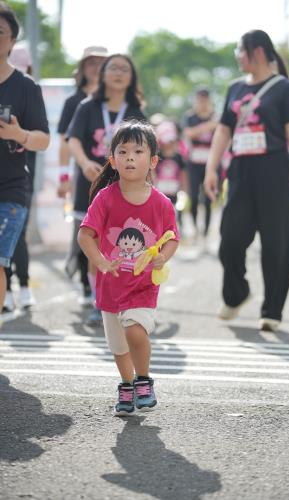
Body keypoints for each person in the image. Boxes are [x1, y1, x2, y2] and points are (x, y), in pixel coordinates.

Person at [204, 29, 289, 332]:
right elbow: (223, 131)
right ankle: (237, 293)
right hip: (239, 170)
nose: (238, 57)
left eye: (241, 51)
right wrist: (212, 169)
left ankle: (272, 309)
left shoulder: (284, 89)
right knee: (230, 239)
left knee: (277, 242)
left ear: (259, 52)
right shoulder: (235, 88)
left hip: (274, 170)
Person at [77, 120, 179, 415]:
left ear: (153, 161)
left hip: (143, 285)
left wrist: (163, 256)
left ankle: (144, 379)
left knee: (135, 329)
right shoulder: (105, 198)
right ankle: (126, 384)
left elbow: (172, 239)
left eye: (138, 151)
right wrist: (102, 263)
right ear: (112, 160)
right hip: (111, 286)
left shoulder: (161, 204)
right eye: (123, 151)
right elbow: (85, 235)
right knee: (118, 346)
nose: (130, 157)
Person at [68, 53, 146, 325]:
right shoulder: (88, 106)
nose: (118, 73)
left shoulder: (136, 112)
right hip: (93, 182)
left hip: (127, 187)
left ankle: (126, 298)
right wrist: (84, 162)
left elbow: (148, 151)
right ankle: (95, 300)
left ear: (131, 77)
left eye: (125, 69)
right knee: (96, 241)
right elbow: (74, 139)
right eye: (113, 67)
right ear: (103, 74)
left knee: (124, 243)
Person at [0, 2, 49, 317]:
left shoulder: (26, 87)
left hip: (10, 189)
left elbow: (43, 140)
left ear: (12, 41)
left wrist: (19, 135)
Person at [57, 45, 108, 307]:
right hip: (85, 177)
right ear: (83, 66)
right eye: (91, 61)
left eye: (102, 61)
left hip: (117, 178)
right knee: (84, 231)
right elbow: (66, 142)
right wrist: (64, 177)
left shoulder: (120, 99)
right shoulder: (74, 102)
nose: (96, 66)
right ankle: (87, 289)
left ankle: (108, 288)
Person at [3, 44, 36, 311]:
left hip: (22, 179)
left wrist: (20, 133)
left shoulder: (30, 92)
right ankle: (9, 289)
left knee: (19, 234)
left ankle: (23, 286)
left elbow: (42, 138)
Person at [183, 87, 217, 239]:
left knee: (209, 197)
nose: (202, 103)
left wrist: (202, 128)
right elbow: (188, 133)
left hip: (211, 163)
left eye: (205, 99)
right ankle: (196, 228)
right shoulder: (190, 117)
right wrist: (209, 126)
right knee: (194, 197)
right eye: (200, 100)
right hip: (194, 163)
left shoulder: (215, 116)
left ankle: (206, 232)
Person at [154, 120, 187, 231]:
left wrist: (184, 190)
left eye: (171, 141)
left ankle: (177, 230)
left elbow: (183, 174)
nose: (169, 144)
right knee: (161, 213)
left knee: (177, 211)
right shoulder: (157, 157)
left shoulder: (179, 157)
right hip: (161, 190)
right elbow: (153, 173)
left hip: (175, 191)